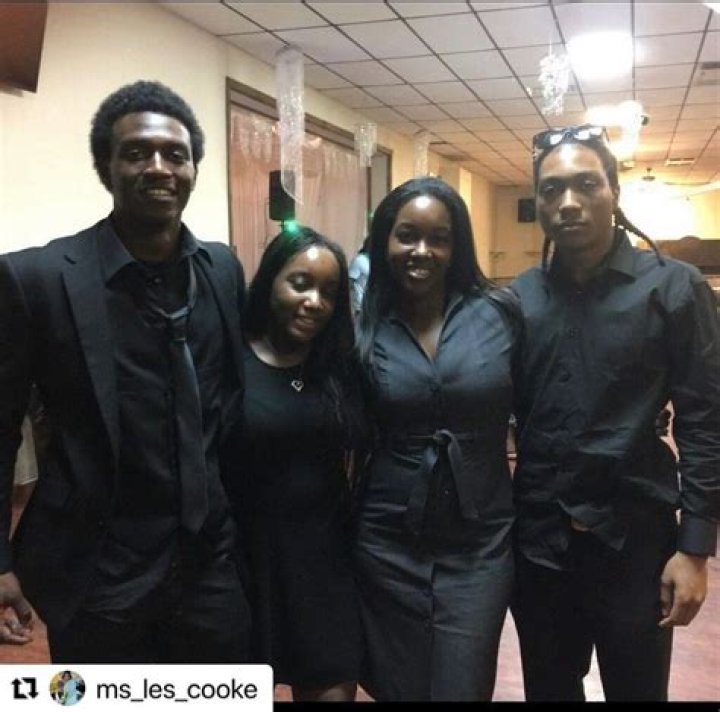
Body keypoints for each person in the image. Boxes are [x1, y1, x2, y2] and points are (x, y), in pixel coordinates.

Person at [0, 80, 251, 662]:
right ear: (106, 167)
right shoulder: (37, 280)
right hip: (101, 571)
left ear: (193, 169)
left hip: (211, 566)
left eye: (175, 154)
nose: (159, 167)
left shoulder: (222, 270)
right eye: (137, 152)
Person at [510, 124, 720, 701]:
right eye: (551, 189)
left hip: (636, 547)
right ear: (539, 203)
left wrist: (695, 549)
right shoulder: (519, 299)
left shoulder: (674, 289)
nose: (568, 201)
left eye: (585, 184)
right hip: (539, 549)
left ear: (614, 192)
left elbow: (705, 422)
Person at [353, 176, 520, 701]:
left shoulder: (500, 313)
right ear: (385, 240)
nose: (421, 250)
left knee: (461, 686)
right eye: (407, 235)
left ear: (457, 246)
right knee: (398, 688)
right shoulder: (363, 325)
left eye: (438, 238)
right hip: (387, 537)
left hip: (479, 540)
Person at [225, 226, 363, 701]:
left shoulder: (341, 363)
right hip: (248, 565)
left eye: (329, 291)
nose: (314, 302)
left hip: (326, 565)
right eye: (300, 283)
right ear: (270, 282)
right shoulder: (231, 361)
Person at [348, 235, 371, 316]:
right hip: (360, 307)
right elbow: (350, 281)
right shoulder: (360, 260)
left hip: (371, 307)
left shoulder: (374, 262)